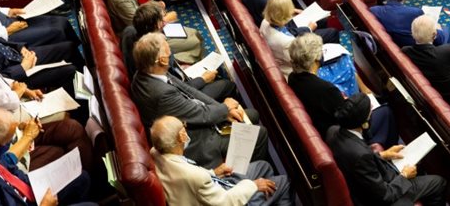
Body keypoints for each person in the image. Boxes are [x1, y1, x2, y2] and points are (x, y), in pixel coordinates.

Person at [131, 32, 268, 169]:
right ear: (162, 60)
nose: (171, 53)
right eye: (169, 52)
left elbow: (189, 91)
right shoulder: (161, 94)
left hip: (192, 120)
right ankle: (240, 175)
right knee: (260, 133)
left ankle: (242, 161)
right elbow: (201, 115)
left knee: (251, 115)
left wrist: (225, 109)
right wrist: (225, 109)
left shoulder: (147, 72)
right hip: (195, 140)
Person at [0, 108, 92, 206]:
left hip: (25, 186)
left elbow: (2, 166)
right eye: (8, 141)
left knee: (82, 176)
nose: (10, 145)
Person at [328, 94, 448, 205]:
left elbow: (356, 163)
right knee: (438, 182)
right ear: (364, 124)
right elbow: (385, 195)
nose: (372, 113)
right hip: (378, 198)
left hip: (367, 182)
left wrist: (383, 155)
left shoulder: (332, 131)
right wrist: (404, 175)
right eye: (370, 112)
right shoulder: (361, 155)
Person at [150, 115, 292, 206]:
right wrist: (254, 185)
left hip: (215, 187)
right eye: (184, 126)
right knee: (284, 182)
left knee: (264, 166)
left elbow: (192, 177)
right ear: (181, 136)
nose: (186, 128)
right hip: (226, 199)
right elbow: (226, 202)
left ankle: (266, 197)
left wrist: (214, 172)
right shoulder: (195, 177)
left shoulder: (156, 151)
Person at [288, 33, 397, 148]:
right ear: (316, 59)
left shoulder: (293, 77)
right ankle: (378, 150)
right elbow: (349, 119)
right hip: (341, 136)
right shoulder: (326, 89)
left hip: (322, 125)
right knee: (385, 111)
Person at [370, 0, 450, 47]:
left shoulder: (374, 11)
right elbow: (434, 38)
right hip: (416, 50)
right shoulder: (415, 13)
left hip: (393, 49)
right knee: (446, 30)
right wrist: (436, 26)